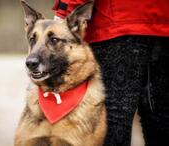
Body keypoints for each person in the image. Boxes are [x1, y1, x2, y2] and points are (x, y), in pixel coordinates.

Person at [53, 0, 169, 146]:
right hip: (163, 25)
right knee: (161, 120)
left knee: (113, 122)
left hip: (116, 25)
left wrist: (64, 9)